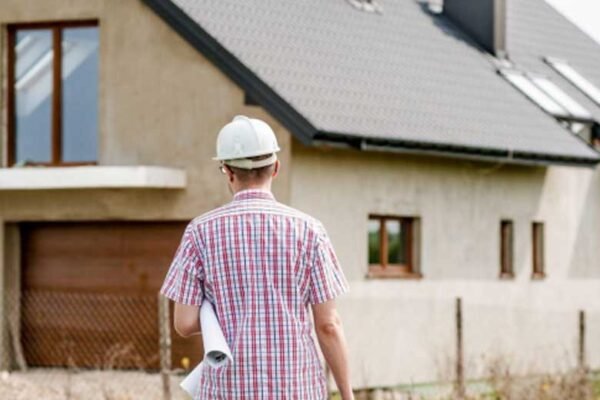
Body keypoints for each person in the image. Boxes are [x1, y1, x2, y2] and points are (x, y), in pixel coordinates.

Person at [160, 115, 353, 400]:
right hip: (297, 390)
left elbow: (185, 323)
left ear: (226, 171)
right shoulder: (310, 231)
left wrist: (226, 312)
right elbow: (328, 325)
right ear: (275, 167)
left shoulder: (199, 232)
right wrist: (347, 395)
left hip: (228, 391)